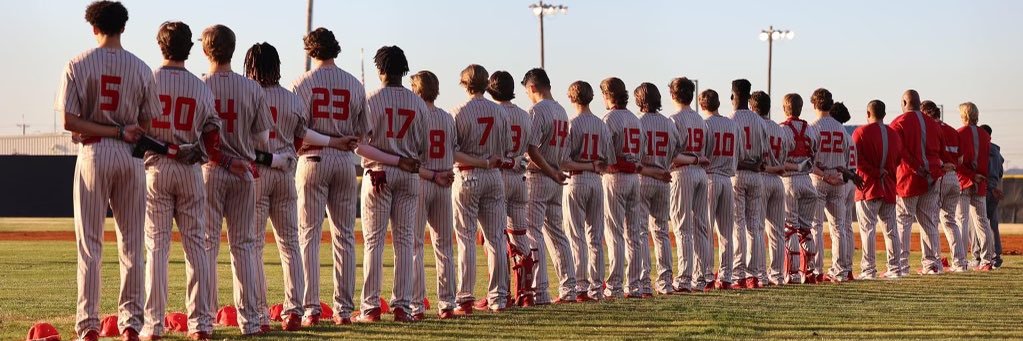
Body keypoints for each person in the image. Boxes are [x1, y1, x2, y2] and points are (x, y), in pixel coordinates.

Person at [56, 2, 160, 339]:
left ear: (93, 27)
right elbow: (147, 122)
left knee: (91, 246)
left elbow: (68, 121)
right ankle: (131, 324)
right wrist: (122, 129)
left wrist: (104, 129)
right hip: (131, 157)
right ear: (123, 27)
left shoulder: (78, 63)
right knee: (132, 244)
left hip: (94, 154)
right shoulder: (142, 68)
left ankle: (88, 326)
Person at [141, 21, 221, 340]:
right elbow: (213, 136)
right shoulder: (201, 86)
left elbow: (135, 132)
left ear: (160, 45)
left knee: (157, 248)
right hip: (189, 168)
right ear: (189, 48)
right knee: (196, 248)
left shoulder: (146, 80)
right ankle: (201, 324)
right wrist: (197, 151)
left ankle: (152, 325)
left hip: (155, 168)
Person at [200, 24, 274, 336]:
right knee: (244, 246)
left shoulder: (199, 84)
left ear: (206, 51)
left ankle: (202, 322)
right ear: (233, 49)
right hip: (244, 171)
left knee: (205, 245)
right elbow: (263, 143)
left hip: (209, 171)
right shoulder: (253, 89)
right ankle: (251, 321)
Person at [290, 27, 367, 326]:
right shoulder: (353, 83)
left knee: (308, 235)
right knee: (344, 236)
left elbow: (295, 131)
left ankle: (310, 309)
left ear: (311, 50)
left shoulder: (301, 82)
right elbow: (364, 131)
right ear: (335, 48)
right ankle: (344, 310)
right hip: (345, 160)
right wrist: (344, 139)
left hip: (312, 158)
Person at [354, 46, 428, 322]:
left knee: (374, 241)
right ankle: (402, 306)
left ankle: (371, 307)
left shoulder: (370, 99)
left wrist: (393, 160)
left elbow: (359, 147)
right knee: (405, 242)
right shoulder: (418, 103)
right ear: (403, 70)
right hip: (408, 174)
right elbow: (422, 146)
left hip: (380, 172)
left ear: (380, 69)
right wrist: (403, 158)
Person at [244, 42, 307, 331]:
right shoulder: (293, 98)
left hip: (256, 171)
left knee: (253, 246)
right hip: (284, 172)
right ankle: (294, 311)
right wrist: (285, 156)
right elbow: (299, 138)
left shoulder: (247, 93)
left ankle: (259, 315)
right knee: (290, 244)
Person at [450, 64, 513, 314]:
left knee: (466, 238)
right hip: (494, 176)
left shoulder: (457, 111)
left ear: (465, 84)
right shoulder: (500, 113)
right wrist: (488, 160)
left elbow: (452, 152)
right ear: (487, 84)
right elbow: (507, 147)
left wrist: (480, 161)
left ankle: (465, 297)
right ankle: (498, 297)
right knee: (496, 237)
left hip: (468, 174)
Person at [408, 71, 458, 319]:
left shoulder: (416, 115)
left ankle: (416, 306)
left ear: (417, 89)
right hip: (444, 182)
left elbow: (410, 156)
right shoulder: (448, 118)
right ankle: (447, 304)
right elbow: (453, 150)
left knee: (415, 245)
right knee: (444, 246)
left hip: (422, 181)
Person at [523, 68, 575, 303]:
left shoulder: (537, 110)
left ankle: (540, 290)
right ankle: (569, 288)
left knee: (532, 232)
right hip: (555, 175)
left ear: (532, 87)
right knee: (558, 235)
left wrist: (550, 171)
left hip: (540, 175)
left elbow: (531, 148)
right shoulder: (562, 110)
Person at [561, 81, 613, 301]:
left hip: (577, 180)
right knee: (595, 237)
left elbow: (564, 161)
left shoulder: (571, 123)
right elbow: (609, 160)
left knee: (576, 236)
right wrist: (594, 165)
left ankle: (581, 287)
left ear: (572, 98)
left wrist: (586, 165)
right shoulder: (602, 125)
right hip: (596, 181)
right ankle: (596, 287)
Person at [487, 70, 535, 307]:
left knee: (494, 237)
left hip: (498, 175)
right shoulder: (525, 116)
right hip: (520, 177)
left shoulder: (493, 112)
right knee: (520, 234)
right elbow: (529, 148)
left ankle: (501, 292)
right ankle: (525, 292)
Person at [890, 90, 948, 276]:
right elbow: (942, 152)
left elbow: (897, 151)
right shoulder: (934, 124)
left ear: (905, 102)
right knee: (929, 221)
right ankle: (932, 265)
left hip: (908, 178)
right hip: (932, 177)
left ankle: (901, 266)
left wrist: (916, 167)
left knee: (903, 221)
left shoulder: (898, 122)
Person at [635, 83, 684, 295]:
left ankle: (644, 282)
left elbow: (634, 154)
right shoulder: (669, 123)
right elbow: (676, 151)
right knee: (661, 231)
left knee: (640, 232)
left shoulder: (638, 123)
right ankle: (665, 282)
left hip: (644, 178)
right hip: (663, 179)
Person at [599, 77, 645, 299]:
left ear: (608, 95)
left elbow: (606, 156)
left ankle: (615, 284)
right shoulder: (635, 119)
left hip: (615, 176)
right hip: (634, 178)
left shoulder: (608, 118)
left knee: (615, 232)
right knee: (633, 233)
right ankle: (634, 284)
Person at [667, 78, 711, 292]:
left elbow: (672, 156)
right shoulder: (701, 120)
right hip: (701, 173)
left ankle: (684, 279)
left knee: (683, 227)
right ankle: (701, 278)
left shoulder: (672, 119)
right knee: (702, 226)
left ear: (673, 95)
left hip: (683, 172)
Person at [852, 100, 903, 279]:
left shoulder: (861, 132)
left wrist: (875, 171)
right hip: (888, 187)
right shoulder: (894, 134)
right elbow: (898, 159)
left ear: (868, 113)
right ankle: (896, 268)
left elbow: (855, 160)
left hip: (868, 187)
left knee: (868, 230)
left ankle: (868, 269)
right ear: (884, 114)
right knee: (891, 230)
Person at [809, 88, 853, 282]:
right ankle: (840, 270)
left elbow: (809, 161)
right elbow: (845, 159)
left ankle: (816, 270)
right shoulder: (841, 128)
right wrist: (838, 177)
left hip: (820, 180)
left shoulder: (812, 127)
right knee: (839, 228)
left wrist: (826, 176)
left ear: (813, 104)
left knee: (816, 227)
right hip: (838, 179)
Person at [728, 79, 768, 289]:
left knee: (738, 225)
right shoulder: (759, 120)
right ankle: (754, 275)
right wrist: (756, 165)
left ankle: (738, 274)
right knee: (755, 226)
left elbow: (731, 155)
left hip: (738, 175)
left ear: (733, 95)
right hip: (755, 175)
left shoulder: (730, 119)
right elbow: (766, 154)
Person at [779, 94, 822, 284]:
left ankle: (794, 273)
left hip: (790, 180)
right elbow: (814, 155)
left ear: (784, 108)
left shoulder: (782, 129)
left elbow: (779, 159)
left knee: (790, 229)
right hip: (807, 180)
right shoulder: (811, 130)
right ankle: (810, 272)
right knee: (806, 230)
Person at [750, 91, 791, 286]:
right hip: (777, 180)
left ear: (752, 107)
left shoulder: (754, 126)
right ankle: (777, 274)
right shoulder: (779, 129)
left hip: (762, 176)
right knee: (777, 231)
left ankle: (759, 274)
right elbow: (785, 155)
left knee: (757, 228)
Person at [701, 89, 741, 290]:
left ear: (702, 105)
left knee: (705, 229)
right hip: (727, 179)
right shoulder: (731, 124)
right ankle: (726, 277)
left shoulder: (704, 124)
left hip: (709, 177)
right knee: (727, 231)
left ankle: (707, 275)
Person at [921, 100, 967, 271]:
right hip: (954, 177)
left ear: (926, 112)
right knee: (950, 221)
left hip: (940, 176)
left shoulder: (931, 129)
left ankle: (934, 263)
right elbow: (961, 160)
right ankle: (960, 262)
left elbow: (931, 155)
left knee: (931, 219)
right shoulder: (953, 130)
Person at [955, 102, 996, 271]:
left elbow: (957, 162)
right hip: (980, 181)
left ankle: (961, 260)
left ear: (964, 115)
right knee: (982, 222)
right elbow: (987, 161)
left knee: (961, 221)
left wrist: (971, 175)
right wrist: (980, 177)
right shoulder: (985, 135)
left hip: (964, 181)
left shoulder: (959, 133)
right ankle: (987, 260)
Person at [830, 102, 858, 279]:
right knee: (846, 226)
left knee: (839, 227)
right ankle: (847, 268)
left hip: (842, 179)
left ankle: (841, 268)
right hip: (851, 180)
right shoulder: (848, 135)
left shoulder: (838, 133)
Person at [981, 124, 1005, 269]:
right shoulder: (996, 150)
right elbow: (1000, 172)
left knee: (979, 223)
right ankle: (996, 256)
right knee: (993, 223)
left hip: (985, 188)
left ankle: (982, 256)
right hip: (995, 188)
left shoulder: (983, 148)